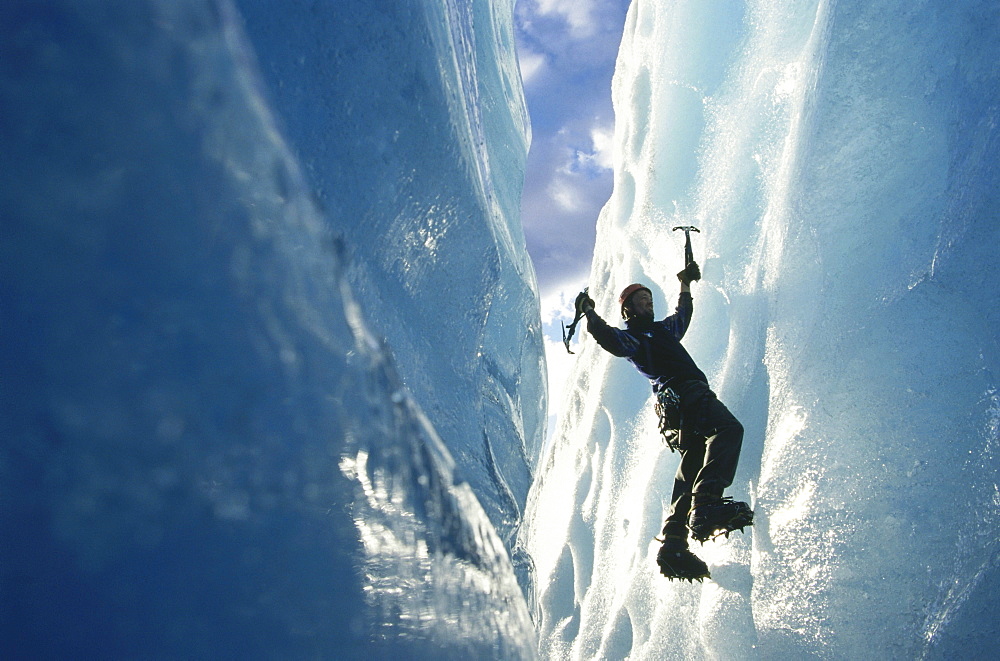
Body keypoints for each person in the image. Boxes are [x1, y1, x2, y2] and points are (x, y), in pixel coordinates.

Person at [575, 262, 752, 581]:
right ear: (627, 309)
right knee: (728, 429)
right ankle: (707, 505)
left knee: (694, 461)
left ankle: (673, 545)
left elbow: (682, 315)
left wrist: (684, 285)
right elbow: (609, 339)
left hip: (677, 410)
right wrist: (589, 313)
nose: (649, 303)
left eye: (650, 299)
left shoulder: (663, 331)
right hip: (685, 394)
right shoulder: (634, 338)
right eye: (642, 300)